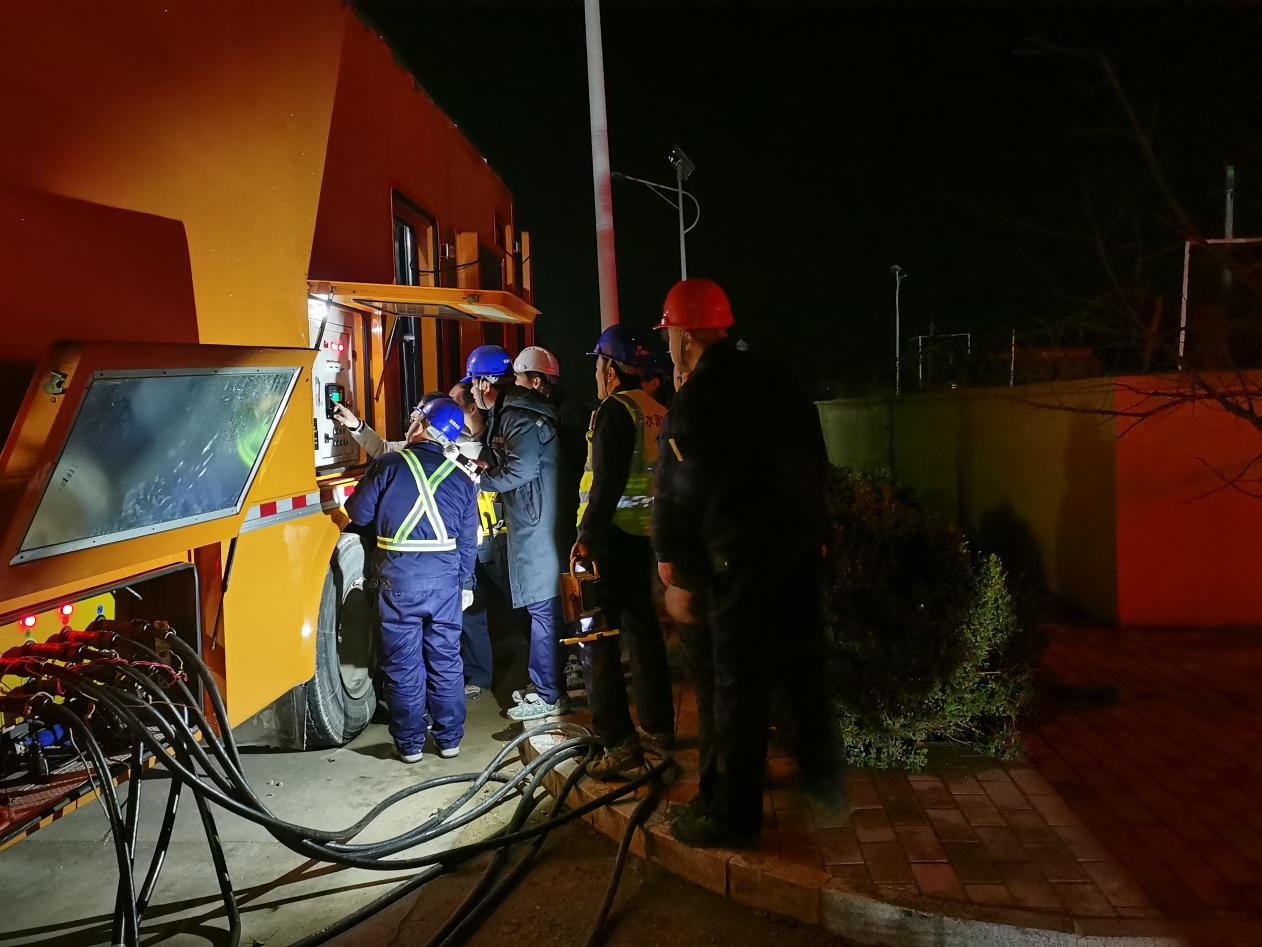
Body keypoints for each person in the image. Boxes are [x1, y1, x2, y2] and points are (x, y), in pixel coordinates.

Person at [652, 278, 841, 848]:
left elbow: (681, 489)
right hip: (793, 557)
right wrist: (816, 535)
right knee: (790, 675)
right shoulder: (776, 377)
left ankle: (732, 816)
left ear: (687, 336)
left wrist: (677, 568)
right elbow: (816, 461)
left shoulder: (699, 396)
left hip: (735, 564)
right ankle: (815, 779)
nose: (668, 345)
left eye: (669, 335)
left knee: (735, 690)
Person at [344, 397, 479, 763]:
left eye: (415, 417)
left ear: (422, 425)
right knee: (446, 660)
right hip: (445, 586)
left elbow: (358, 514)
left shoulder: (389, 465)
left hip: (398, 584)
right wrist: (466, 584)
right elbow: (468, 541)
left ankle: (410, 745)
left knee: (403, 665)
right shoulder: (461, 479)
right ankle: (449, 740)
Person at [570, 325, 676, 779]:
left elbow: (607, 483)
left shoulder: (614, 410)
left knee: (596, 639)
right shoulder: (657, 410)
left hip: (609, 539)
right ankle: (658, 727)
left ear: (610, 369)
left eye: (598, 365)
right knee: (644, 634)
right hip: (644, 537)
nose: (596, 373)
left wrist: (585, 537)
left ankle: (617, 742)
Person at [464, 344, 567, 721]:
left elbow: (521, 469)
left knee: (543, 607)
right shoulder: (511, 413)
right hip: (534, 517)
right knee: (541, 605)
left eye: (473, 385)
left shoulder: (517, 416)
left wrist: (481, 480)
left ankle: (550, 694)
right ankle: (547, 685)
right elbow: (508, 459)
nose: (472, 393)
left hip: (537, 520)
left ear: (486, 384)